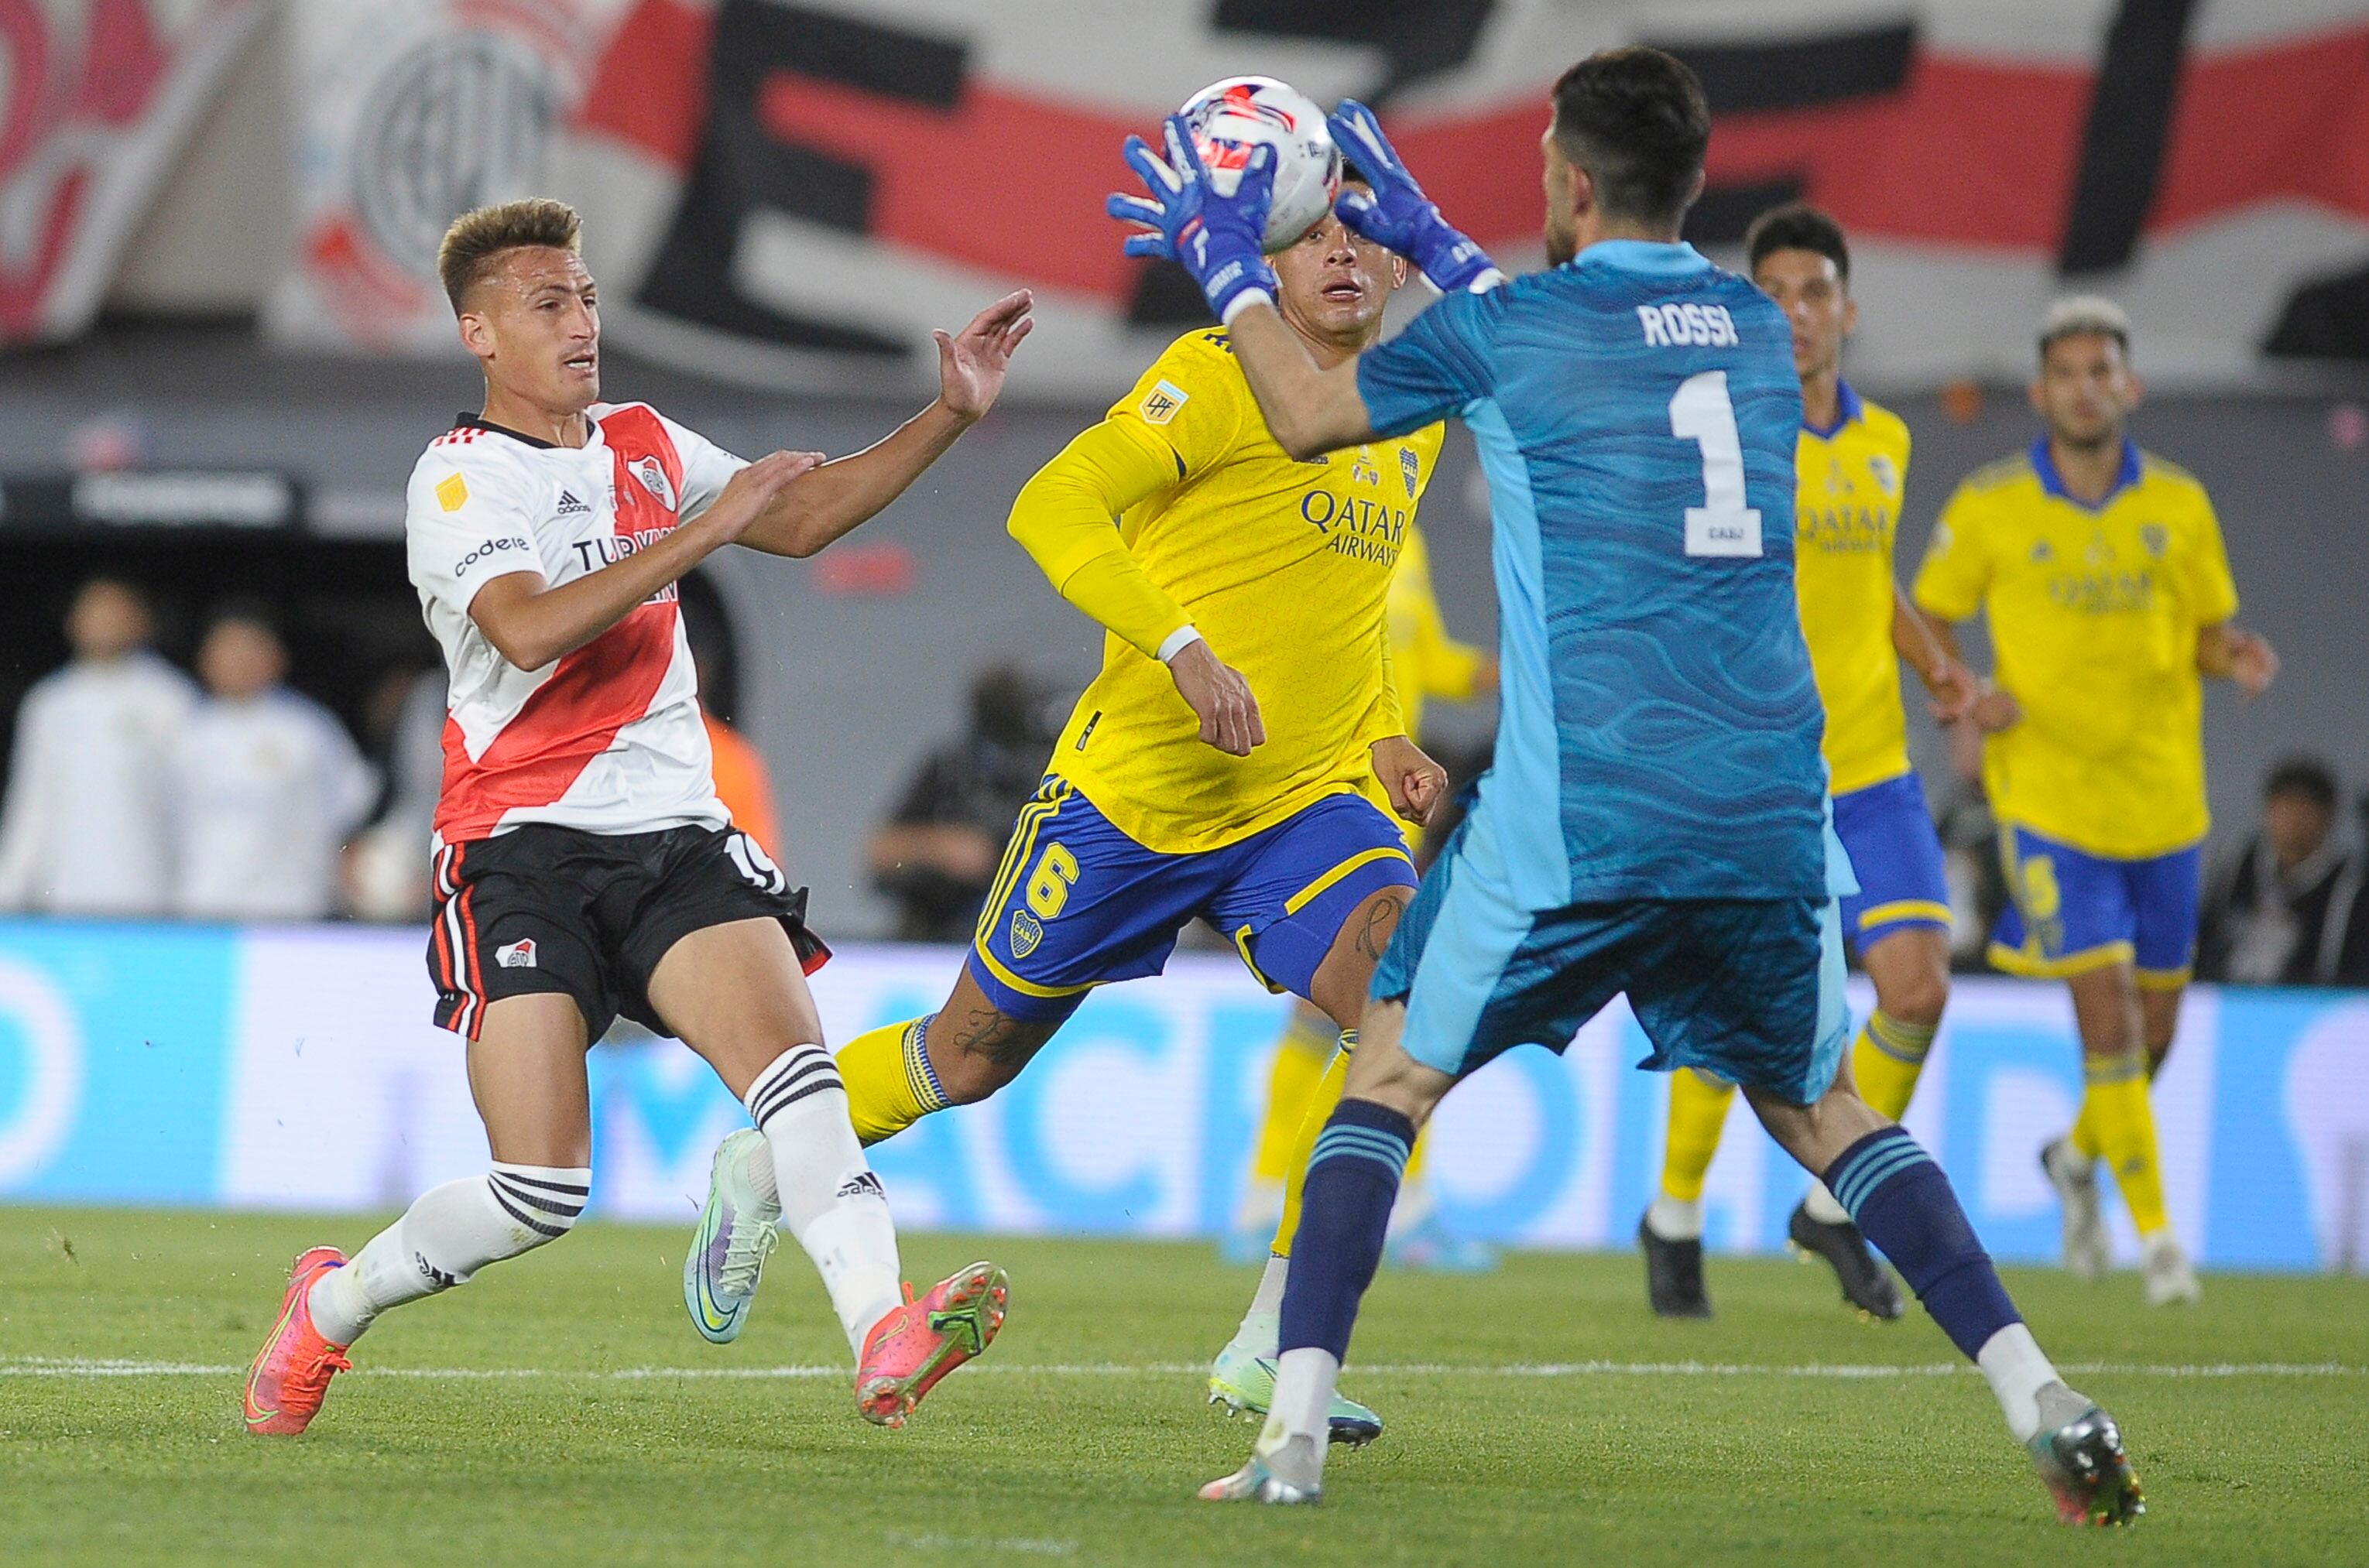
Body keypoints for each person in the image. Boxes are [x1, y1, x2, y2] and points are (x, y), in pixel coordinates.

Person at [1124, 47, 2143, 1523]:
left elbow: (1305, 411)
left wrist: (1226, 262)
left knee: (1388, 1076)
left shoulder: (1519, 328)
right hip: (1766, 812)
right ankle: (2041, 1390)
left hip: (1582, 809)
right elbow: (1556, 336)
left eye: (1546, 159)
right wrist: (1429, 240)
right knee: (1831, 1114)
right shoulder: (1746, 329)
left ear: (1574, 183)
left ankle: (1286, 1439)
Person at [242, 197, 1034, 1437]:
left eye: (589, 298)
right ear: (480, 334)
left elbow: (806, 513)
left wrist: (948, 413)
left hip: (673, 832)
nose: (581, 322)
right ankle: (331, 1305)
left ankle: (884, 1326)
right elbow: (529, 627)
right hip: (519, 850)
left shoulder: (648, 441)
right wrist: (703, 525)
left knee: (802, 1083)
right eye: (548, 303)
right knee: (540, 1188)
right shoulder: (459, 477)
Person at [691, 176, 1454, 1450]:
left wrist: (1379, 731)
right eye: (1314, 230)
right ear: (1269, 256)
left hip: (1301, 795)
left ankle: (1277, 1346)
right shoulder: (1215, 377)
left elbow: (1348, 597)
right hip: (1132, 795)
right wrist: (1181, 645)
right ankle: (768, 1162)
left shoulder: (1409, 415)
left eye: (1364, 233)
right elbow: (1048, 504)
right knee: (970, 1054)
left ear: (1400, 263)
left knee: (1409, 1008)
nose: (1341, 252)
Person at [1640, 205, 1977, 1321]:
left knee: (1919, 989)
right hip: (1762, 768)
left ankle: (1831, 1208)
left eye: (1815, 291)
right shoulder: (1723, 433)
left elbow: (1869, 576)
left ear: (1847, 309)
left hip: (1872, 761)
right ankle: (1675, 1215)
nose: (1795, 311)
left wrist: (1938, 663)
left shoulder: (1886, 440)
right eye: (1774, 291)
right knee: (1744, 1010)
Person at [1912, 296, 2277, 1302]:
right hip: (2050, 804)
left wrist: (2233, 652)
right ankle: (2161, 1242)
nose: (2084, 385)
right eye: (2066, 371)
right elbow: (1926, 615)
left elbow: (2205, 630)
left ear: (2129, 386)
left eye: (2100, 369)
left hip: (2165, 803)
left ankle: (2075, 1159)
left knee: (2154, 1033)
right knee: (2108, 1017)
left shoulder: (2179, 504)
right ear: (2041, 391)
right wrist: (1966, 698)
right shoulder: (1990, 505)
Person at [1228, 519, 1497, 1272]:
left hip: (1390, 799)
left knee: (1351, 1011)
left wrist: (1504, 673)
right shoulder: (1314, 522)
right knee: (1395, 1002)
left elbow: (1427, 660)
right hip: (1336, 788)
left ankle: (1270, 1201)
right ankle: (1387, 1205)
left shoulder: (1403, 537)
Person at [169, 603, 378, 921]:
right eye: (229, 649)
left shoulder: (310, 728)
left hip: (293, 906)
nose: (240, 661)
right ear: (207, 660)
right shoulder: (183, 733)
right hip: (205, 906)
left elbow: (351, 811)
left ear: (276, 657)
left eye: (251, 649)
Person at [0, 578, 194, 915]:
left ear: (141, 622)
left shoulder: (171, 699)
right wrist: (10, 888)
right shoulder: (50, 702)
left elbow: (191, 806)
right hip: (63, 890)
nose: (104, 623)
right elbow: (33, 800)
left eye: (115, 613)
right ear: (73, 622)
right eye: (94, 613)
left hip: (150, 890)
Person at [867, 664, 1057, 943]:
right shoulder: (951, 769)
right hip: (938, 933)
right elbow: (880, 851)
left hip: (1020, 932)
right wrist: (943, 848)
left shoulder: (1046, 773)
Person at [2197, 758, 2350, 984]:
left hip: (2307, 1005)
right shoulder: (2237, 860)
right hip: (2227, 998)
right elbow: (2208, 933)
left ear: (2327, 816)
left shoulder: (2347, 885)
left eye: (2305, 808)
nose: (2294, 819)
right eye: (2285, 806)